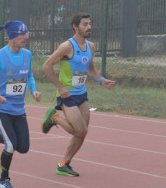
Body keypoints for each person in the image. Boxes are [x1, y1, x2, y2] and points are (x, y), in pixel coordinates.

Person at [41, 13, 116, 177]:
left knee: (83, 132)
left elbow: (90, 69)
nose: (89, 27)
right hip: (67, 95)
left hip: (81, 94)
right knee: (80, 131)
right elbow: (47, 65)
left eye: (89, 24)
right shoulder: (67, 46)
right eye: (85, 24)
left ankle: (64, 164)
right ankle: (54, 118)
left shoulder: (91, 46)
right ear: (75, 27)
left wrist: (101, 80)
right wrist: (60, 87)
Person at [0, 20, 41, 188]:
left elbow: (29, 76)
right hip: (2, 108)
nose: (26, 37)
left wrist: (34, 90)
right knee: (11, 145)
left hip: (19, 108)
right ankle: (3, 181)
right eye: (22, 34)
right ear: (12, 36)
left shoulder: (27, 54)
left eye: (26, 33)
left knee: (23, 147)